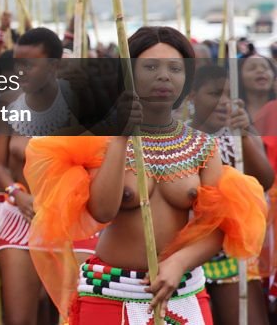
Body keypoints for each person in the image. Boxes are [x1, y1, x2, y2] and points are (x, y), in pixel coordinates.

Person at [26, 26, 268, 324]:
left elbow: (218, 225)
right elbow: (102, 211)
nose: (164, 76)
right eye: (150, 66)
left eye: (175, 68)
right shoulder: (99, 139)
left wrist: (179, 263)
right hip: (110, 293)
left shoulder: (203, 146)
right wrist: (120, 138)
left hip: (182, 293)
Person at [0, 27, 87, 325]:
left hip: (72, 222)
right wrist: (16, 195)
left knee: (72, 315)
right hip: (21, 218)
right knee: (18, 319)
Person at [188, 64, 274, 324]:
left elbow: (265, 180)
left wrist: (245, 135)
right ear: (191, 96)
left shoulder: (238, 134)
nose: (224, 102)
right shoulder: (178, 135)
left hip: (231, 254)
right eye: (214, 94)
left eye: (229, 95)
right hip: (185, 258)